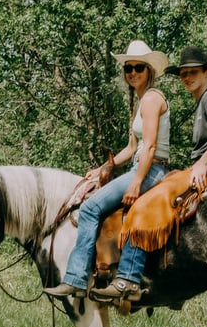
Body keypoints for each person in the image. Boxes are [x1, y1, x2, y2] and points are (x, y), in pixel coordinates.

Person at [90, 45, 207, 302]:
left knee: (147, 204)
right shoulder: (203, 99)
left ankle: (127, 277)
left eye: (193, 72)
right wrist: (109, 165)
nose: (187, 78)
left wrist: (203, 163)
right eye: (183, 74)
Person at [44, 40, 171, 299]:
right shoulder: (141, 101)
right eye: (128, 68)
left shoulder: (151, 99)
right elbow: (132, 147)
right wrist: (105, 166)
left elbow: (150, 147)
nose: (132, 72)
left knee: (90, 208)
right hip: (145, 166)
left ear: (149, 70)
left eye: (138, 67)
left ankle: (77, 278)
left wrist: (136, 182)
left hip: (151, 169)